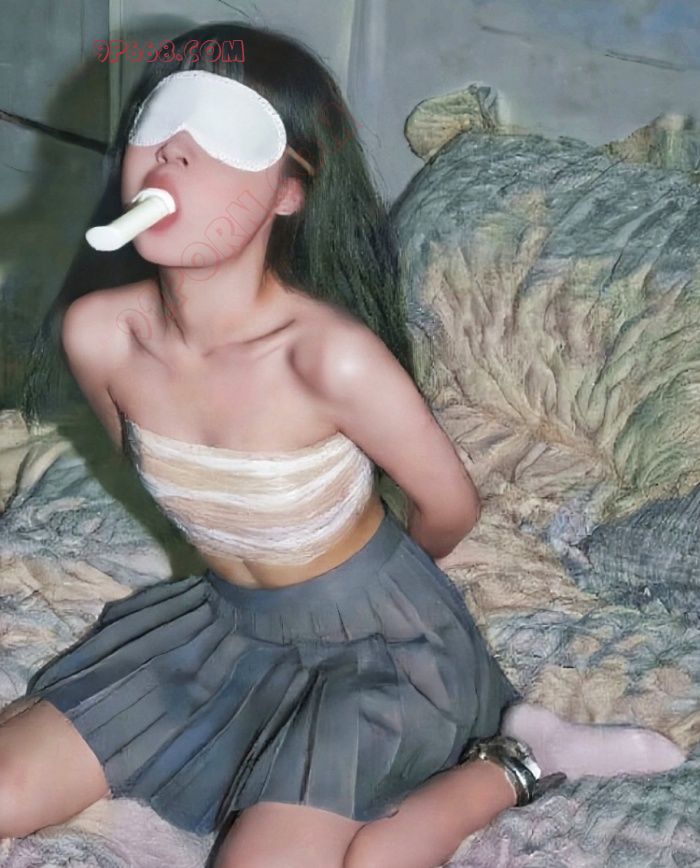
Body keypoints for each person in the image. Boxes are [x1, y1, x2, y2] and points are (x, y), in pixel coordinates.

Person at [2, 21, 685, 868]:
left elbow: (452, 507)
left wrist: (372, 594)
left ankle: (521, 759)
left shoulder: (330, 358)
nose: (173, 151)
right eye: (157, 123)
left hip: (381, 650)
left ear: (289, 192)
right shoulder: (100, 334)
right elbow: (168, 486)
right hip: (226, 621)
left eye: (221, 134)